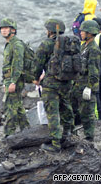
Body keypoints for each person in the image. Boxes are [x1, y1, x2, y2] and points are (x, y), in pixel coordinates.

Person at [33, 19, 74, 153]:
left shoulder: (46, 44)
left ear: (50, 31)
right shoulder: (69, 42)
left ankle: (55, 143)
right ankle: (68, 135)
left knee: (52, 111)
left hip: (51, 84)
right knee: (66, 107)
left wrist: (36, 78)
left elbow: (38, 64)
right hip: (67, 82)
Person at [0, 18, 30, 137]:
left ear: (13, 30)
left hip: (15, 80)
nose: (3, 30)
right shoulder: (9, 44)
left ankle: (9, 134)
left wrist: (13, 82)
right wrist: (5, 82)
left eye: (6, 28)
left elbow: (18, 64)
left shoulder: (17, 44)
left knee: (10, 107)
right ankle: (26, 130)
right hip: (9, 80)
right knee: (17, 106)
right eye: (2, 28)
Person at [72, 20, 101, 142]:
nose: (81, 33)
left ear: (90, 33)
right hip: (78, 85)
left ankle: (89, 138)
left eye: (83, 31)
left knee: (87, 114)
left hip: (86, 87)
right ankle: (74, 136)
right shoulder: (84, 46)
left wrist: (89, 87)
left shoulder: (93, 49)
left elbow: (94, 71)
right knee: (75, 111)